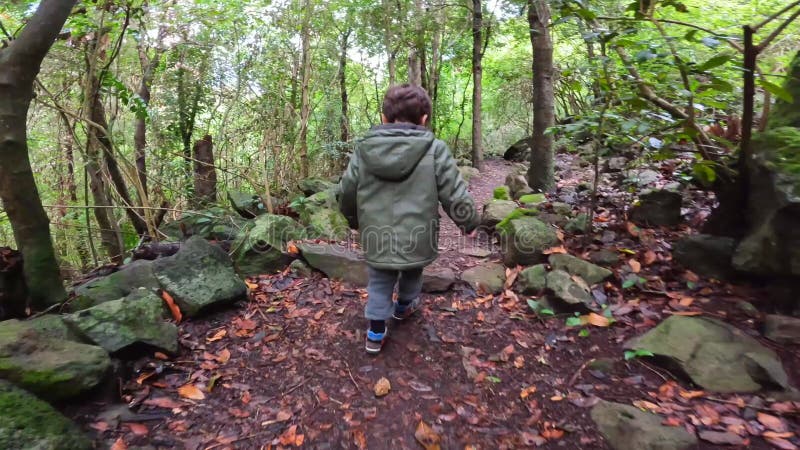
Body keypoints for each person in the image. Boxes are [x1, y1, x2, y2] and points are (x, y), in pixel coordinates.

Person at [338, 84, 479, 354]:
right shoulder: (434, 149)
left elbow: (347, 189)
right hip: (419, 231)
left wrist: (353, 219)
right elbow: (453, 190)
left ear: (384, 118)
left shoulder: (364, 149)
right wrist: (468, 222)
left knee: (380, 278)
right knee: (413, 268)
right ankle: (404, 305)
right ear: (424, 119)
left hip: (376, 231)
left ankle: (376, 331)